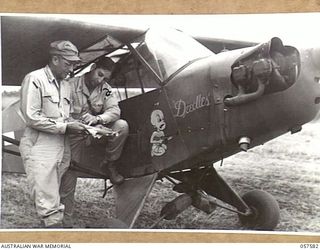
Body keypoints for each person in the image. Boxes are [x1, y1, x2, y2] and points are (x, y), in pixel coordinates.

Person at [19, 40, 86, 228]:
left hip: (61, 145)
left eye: (74, 64)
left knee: (56, 195)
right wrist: (66, 127)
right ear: (55, 59)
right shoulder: (35, 79)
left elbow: (67, 115)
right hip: (40, 144)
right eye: (68, 64)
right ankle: (54, 234)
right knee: (48, 203)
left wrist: (86, 126)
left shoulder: (66, 85)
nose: (72, 69)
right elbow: (32, 117)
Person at [60, 56, 129, 227]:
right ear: (92, 67)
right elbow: (60, 112)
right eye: (99, 75)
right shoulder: (70, 85)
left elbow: (114, 111)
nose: (101, 80)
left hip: (94, 133)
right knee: (70, 172)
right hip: (74, 133)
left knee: (121, 126)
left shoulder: (105, 89)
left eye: (105, 78)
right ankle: (65, 220)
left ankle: (110, 164)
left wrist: (98, 119)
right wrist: (77, 124)